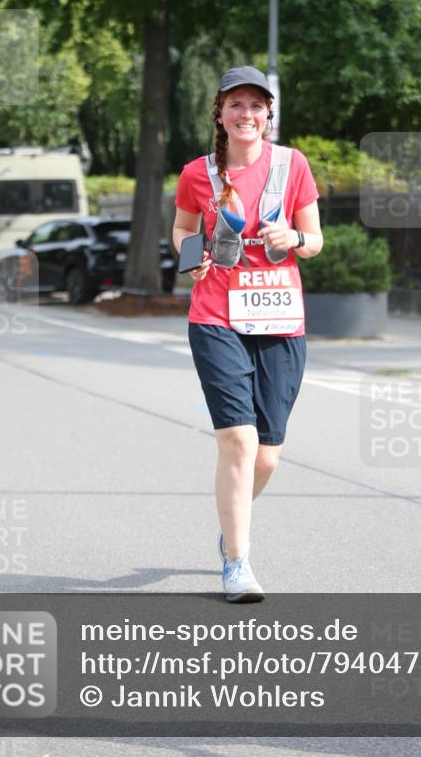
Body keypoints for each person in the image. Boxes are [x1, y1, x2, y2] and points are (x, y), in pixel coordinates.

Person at [173, 65, 323, 603]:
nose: (246, 114)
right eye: (236, 104)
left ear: (268, 114)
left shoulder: (292, 164)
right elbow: (184, 229)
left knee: (267, 455)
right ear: (220, 112)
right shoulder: (197, 173)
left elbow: (316, 240)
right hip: (216, 315)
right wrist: (192, 260)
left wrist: (294, 235)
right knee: (237, 440)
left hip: (281, 318)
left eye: (256, 105)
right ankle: (238, 561)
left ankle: (230, 524)